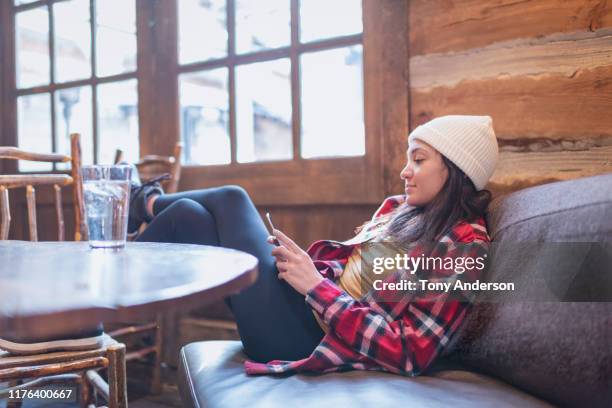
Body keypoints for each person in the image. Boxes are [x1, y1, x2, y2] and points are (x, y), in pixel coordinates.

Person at [125, 114, 499, 376]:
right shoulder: (401, 211)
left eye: (418, 160)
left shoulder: (465, 248)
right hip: (305, 307)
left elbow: (410, 352)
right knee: (190, 215)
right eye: (408, 159)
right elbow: (353, 281)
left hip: (311, 339)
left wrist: (316, 288)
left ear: (456, 172)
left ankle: (140, 203)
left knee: (231, 198)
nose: (405, 171)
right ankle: (91, 318)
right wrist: (304, 268)